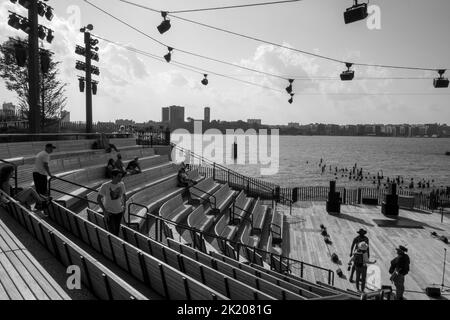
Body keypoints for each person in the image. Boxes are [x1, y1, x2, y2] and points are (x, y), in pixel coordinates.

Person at [97, 169, 126, 236]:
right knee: (112, 232)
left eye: (121, 176)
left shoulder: (122, 184)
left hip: (119, 211)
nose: (121, 178)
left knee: (117, 230)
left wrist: (125, 206)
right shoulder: (105, 186)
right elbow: (98, 199)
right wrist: (104, 211)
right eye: (119, 176)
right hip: (109, 212)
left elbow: (124, 195)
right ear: (113, 176)